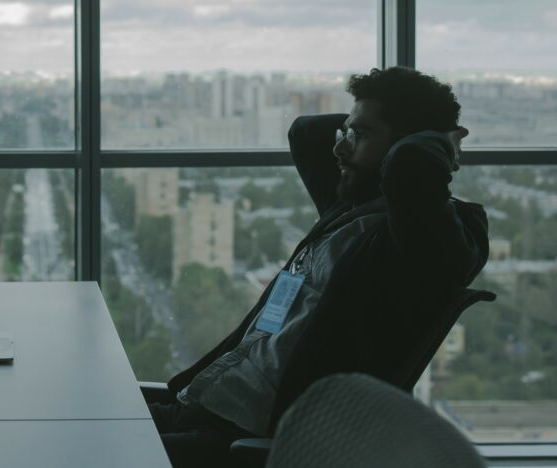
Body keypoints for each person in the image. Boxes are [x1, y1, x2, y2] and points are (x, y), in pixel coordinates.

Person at [147, 67, 490, 467]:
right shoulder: (347, 209)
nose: (339, 149)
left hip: (240, 443)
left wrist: (436, 140)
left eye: (359, 136)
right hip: (200, 407)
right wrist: (361, 130)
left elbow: (410, 166)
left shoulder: (423, 246)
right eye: (347, 133)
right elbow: (305, 133)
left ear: (404, 149)